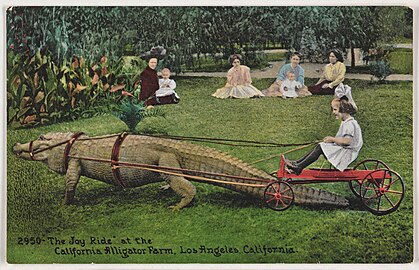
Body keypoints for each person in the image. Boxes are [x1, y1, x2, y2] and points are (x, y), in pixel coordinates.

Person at [285, 96, 362, 175]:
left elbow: (347, 141)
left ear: (344, 111)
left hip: (347, 153)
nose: (333, 112)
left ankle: (299, 167)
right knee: (320, 145)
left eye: (335, 109)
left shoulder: (349, 124)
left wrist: (332, 139)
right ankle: (297, 163)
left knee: (320, 147)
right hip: (344, 150)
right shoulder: (346, 122)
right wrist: (331, 140)